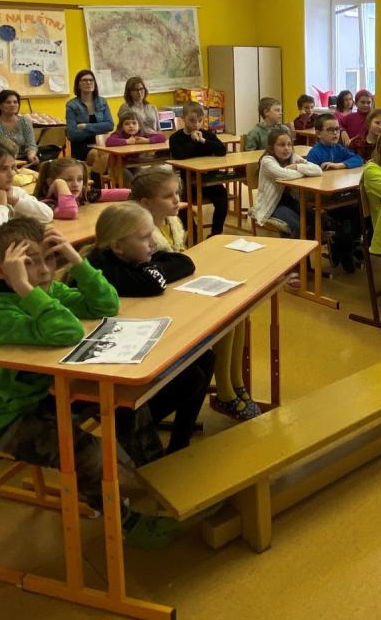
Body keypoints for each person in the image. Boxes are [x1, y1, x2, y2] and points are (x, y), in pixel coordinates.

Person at [0, 218, 179, 548]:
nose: (44, 271)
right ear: (1, 271)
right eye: (28, 264)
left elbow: (106, 304)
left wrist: (75, 261)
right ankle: (123, 520)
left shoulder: (46, 290)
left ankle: (160, 479)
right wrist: (26, 289)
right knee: (84, 451)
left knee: (123, 403)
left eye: (49, 258)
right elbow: (67, 331)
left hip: (36, 395)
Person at [130, 170, 261, 421]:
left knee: (239, 312)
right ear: (146, 203)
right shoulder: (140, 234)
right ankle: (225, 393)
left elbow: (181, 260)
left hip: (180, 288)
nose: (176, 200)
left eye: (177, 193)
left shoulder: (172, 222)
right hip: (158, 303)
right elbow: (160, 271)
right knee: (224, 316)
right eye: (168, 196)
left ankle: (236, 383)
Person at [86, 202, 210, 452]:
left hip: (132, 341)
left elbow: (185, 262)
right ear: (118, 246)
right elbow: (152, 284)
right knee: (192, 377)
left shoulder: (130, 256)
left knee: (205, 357)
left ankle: (180, 443)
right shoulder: (101, 268)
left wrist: (149, 266)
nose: (153, 243)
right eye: (144, 238)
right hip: (105, 362)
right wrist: (151, 270)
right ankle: (129, 428)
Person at [304, 113, 364, 272]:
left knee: (357, 212)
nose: (335, 133)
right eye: (330, 130)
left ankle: (348, 247)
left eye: (337, 129)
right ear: (318, 133)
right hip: (324, 199)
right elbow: (310, 179)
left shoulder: (339, 149)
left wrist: (339, 165)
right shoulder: (315, 153)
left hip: (340, 196)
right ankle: (344, 251)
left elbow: (358, 160)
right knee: (344, 218)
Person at [168, 102, 230, 237]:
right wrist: (192, 140)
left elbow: (222, 151)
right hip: (188, 182)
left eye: (200, 121)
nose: (196, 125)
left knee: (222, 198)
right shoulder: (175, 138)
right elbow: (180, 156)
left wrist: (204, 141)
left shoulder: (207, 134)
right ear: (183, 118)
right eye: (192, 120)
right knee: (181, 203)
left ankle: (216, 233)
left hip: (209, 180)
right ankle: (193, 235)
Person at [251, 127, 321, 242]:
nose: (286, 148)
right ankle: (297, 251)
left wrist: (296, 166)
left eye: (289, 144)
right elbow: (284, 174)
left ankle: (307, 245)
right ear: (271, 147)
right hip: (272, 205)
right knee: (296, 225)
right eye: (281, 145)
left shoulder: (292, 157)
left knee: (313, 216)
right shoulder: (267, 161)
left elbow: (318, 170)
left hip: (289, 200)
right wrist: (303, 171)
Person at [34, 157, 129, 220]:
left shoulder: (83, 194)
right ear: (51, 182)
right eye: (68, 180)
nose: (76, 184)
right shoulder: (46, 204)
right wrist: (60, 183)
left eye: (80, 179)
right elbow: (70, 211)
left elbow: (110, 194)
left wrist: (135, 193)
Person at [65, 69, 114, 158]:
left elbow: (110, 125)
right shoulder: (72, 105)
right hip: (82, 146)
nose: (88, 82)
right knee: (101, 155)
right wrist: (99, 129)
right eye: (84, 80)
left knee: (115, 155)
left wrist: (86, 126)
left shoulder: (102, 101)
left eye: (91, 80)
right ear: (78, 85)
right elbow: (72, 135)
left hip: (102, 143)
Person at [0, 89, 39, 165]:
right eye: (8, 102)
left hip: (24, 160)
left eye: (15, 102)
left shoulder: (25, 121)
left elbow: (31, 144)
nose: (12, 105)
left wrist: (31, 157)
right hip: (0, 162)